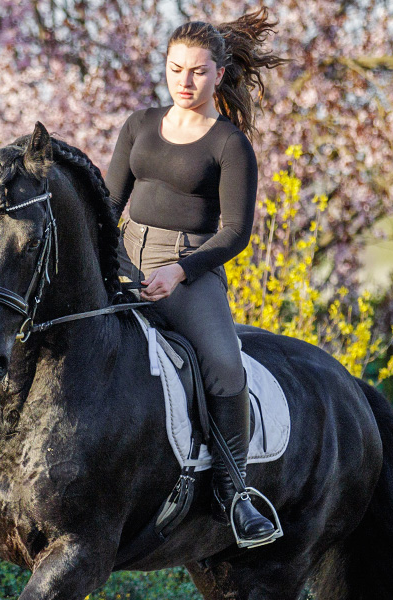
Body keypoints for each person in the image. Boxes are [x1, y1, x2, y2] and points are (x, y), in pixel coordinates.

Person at [104, 8, 289, 545]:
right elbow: (107, 204)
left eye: (198, 71)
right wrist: (112, 264)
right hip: (122, 261)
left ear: (219, 75)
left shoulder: (229, 145)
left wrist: (179, 272)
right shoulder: (138, 125)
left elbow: (235, 233)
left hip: (191, 269)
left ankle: (236, 496)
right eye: (175, 68)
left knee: (227, 369)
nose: (185, 81)